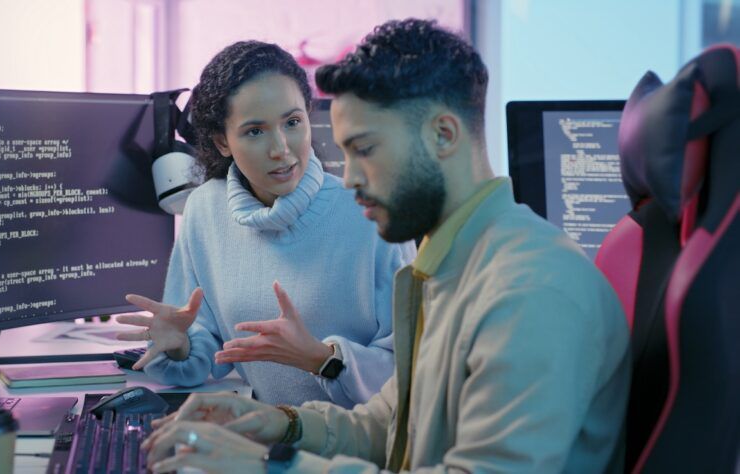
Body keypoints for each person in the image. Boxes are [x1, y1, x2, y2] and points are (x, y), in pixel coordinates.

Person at [139, 19, 631, 474]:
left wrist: (270, 466)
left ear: (443, 135)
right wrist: (276, 424)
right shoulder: (453, 267)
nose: (348, 179)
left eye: (365, 150)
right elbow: (391, 426)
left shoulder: (528, 292)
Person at [116, 40, 415, 408]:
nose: (281, 149)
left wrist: (323, 359)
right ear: (221, 142)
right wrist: (180, 347)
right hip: (270, 440)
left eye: (292, 123)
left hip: (359, 449)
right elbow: (202, 344)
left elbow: (412, 372)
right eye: (255, 131)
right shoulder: (206, 209)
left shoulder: (370, 213)